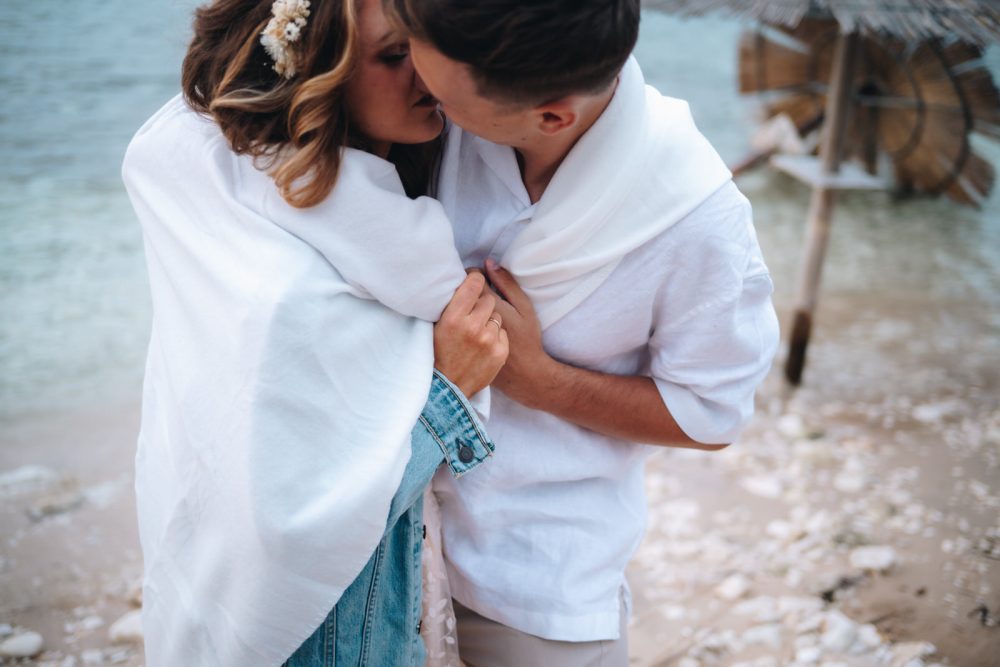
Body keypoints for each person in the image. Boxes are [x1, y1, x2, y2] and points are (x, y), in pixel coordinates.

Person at [386, 0, 782, 664]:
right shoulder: (440, 113)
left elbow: (710, 414)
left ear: (551, 116)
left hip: (539, 572)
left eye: (441, 93)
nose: (417, 90)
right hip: (384, 534)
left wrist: (543, 382)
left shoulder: (694, 218)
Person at [121, 0, 507, 664]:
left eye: (428, 42)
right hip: (324, 637)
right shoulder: (294, 285)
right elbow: (296, 525)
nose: (430, 71)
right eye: (393, 55)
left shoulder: (351, 220)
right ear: (312, 73)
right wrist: (445, 394)